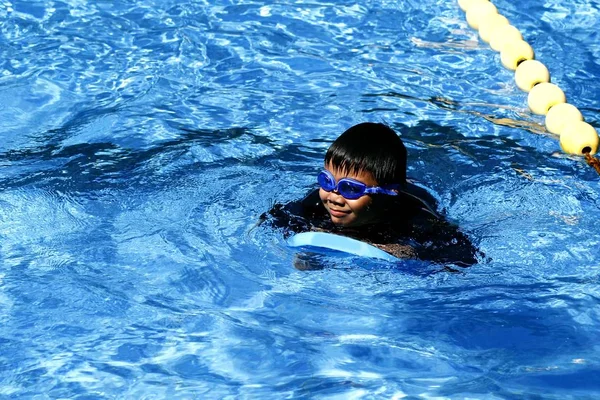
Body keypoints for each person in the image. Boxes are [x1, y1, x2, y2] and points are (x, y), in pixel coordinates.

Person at [260, 122, 481, 267]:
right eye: (326, 181)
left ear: (387, 194)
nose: (334, 197)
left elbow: (464, 260)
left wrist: (409, 254)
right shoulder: (316, 202)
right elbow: (271, 219)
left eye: (351, 189)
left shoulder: (417, 221)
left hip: (418, 192)